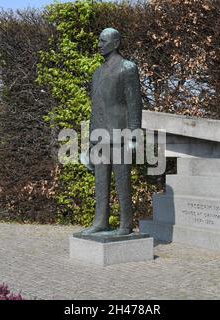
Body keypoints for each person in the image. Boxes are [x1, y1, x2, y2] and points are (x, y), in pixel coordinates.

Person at [80, 28, 143, 236]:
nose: (99, 44)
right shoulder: (97, 73)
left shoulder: (128, 68)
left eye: (103, 40)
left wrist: (135, 135)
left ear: (115, 43)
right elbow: (95, 108)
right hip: (100, 136)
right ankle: (101, 221)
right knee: (100, 182)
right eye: (98, 40)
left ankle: (126, 224)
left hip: (121, 135)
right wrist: (89, 143)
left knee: (122, 180)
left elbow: (134, 104)